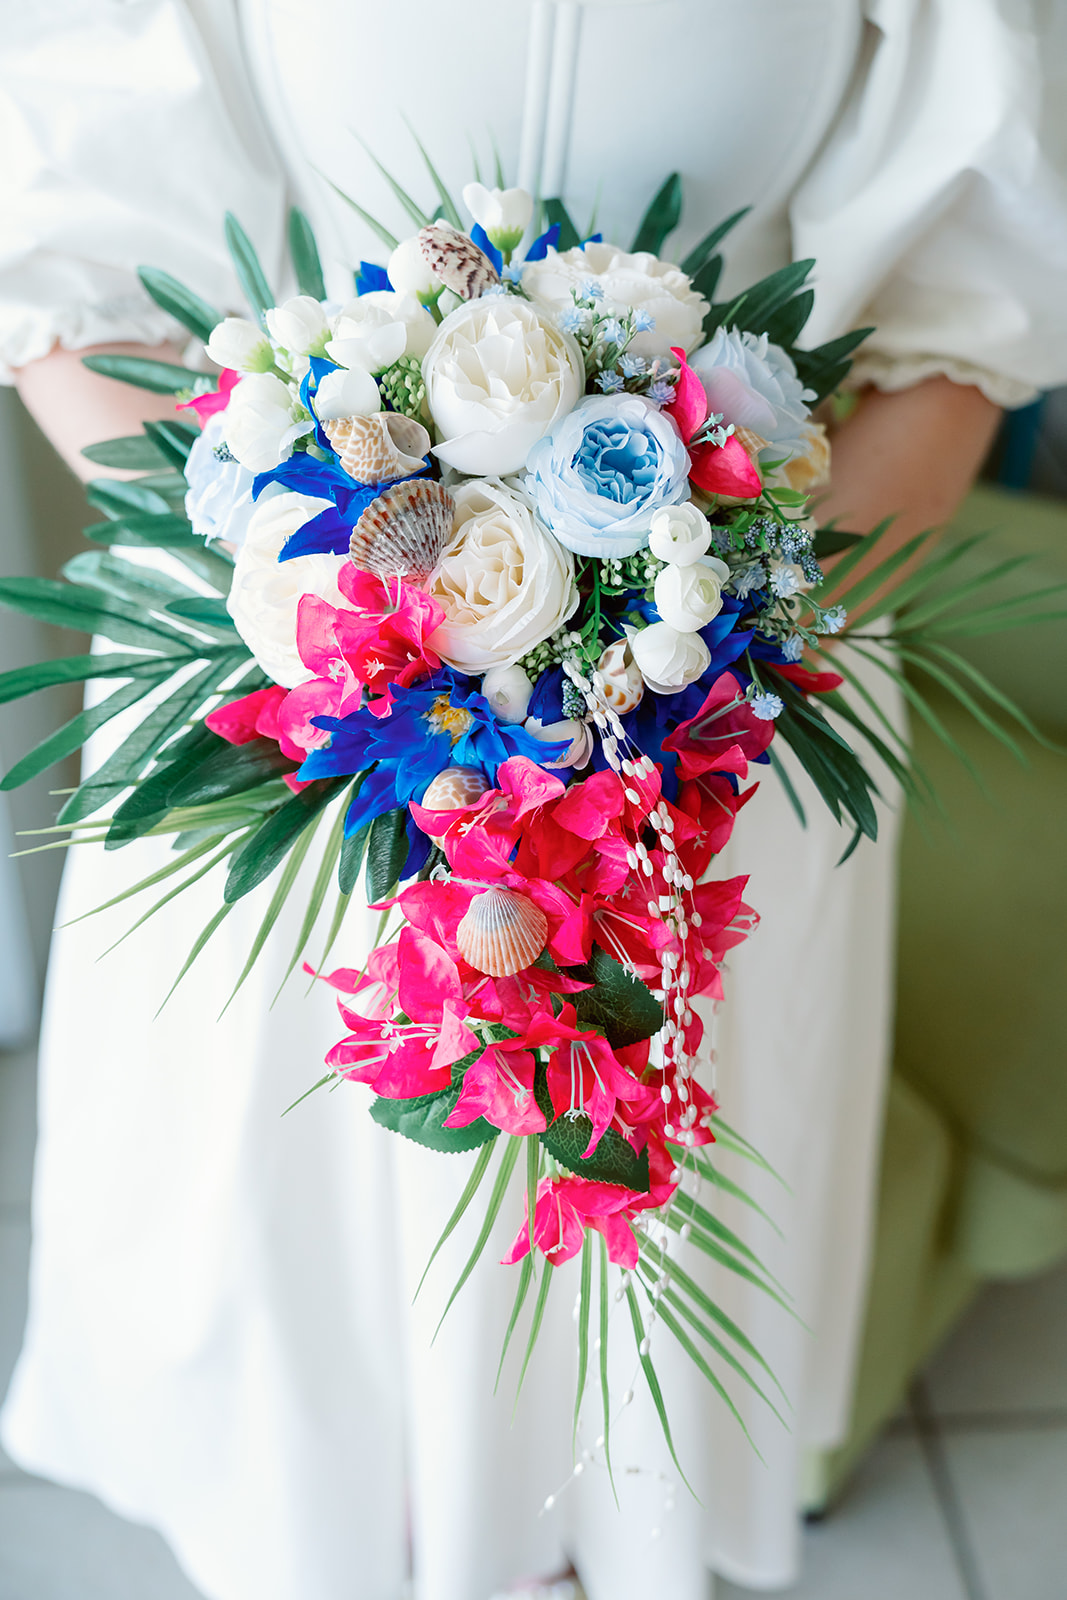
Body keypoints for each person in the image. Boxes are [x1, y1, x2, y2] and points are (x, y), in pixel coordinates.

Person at [2, 4, 1065, 1599]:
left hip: (734, 706)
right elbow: (64, 285)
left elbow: (966, 312)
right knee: (319, 1348)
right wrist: (317, 590)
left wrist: (686, 646)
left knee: (629, 1299)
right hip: (310, 692)